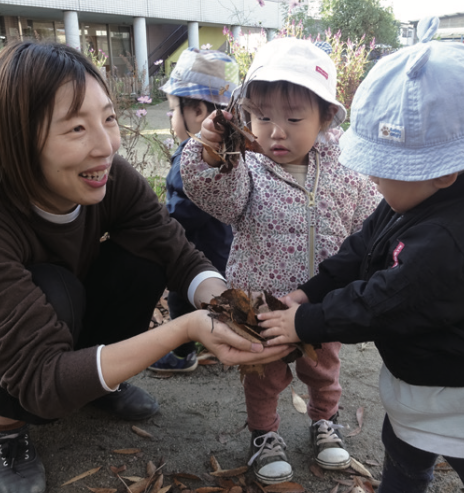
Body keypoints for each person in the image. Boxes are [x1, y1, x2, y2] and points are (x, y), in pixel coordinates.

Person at [0, 40, 293, 493]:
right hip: (22, 359)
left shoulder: (113, 177)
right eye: (76, 128)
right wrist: (184, 329)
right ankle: (6, 430)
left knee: (146, 257)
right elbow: (41, 379)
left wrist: (232, 310)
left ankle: (97, 387)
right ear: (18, 137)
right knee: (55, 288)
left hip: (63, 327)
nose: (106, 145)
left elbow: (175, 251)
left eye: (109, 118)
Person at [257, 17, 464, 493]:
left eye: (385, 169)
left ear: (444, 174)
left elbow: (380, 300)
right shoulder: (408, 201)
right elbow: (360, 250)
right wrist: (309, 292)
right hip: (422, 380)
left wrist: (305, 324)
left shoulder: (446, 242)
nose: (372, 178)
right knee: (404, 443)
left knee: (436, 443)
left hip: (452, 392)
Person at [180, 37, 380, 484]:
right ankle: (264, 435)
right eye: (262, 117)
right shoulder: (246, 171)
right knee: (264, 373)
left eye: (293, 118)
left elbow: (373, 228)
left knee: (323, 369)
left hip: (321, 304)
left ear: (327, 117)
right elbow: (215, 197)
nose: (275, 131)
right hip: (260, 303)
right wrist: (212, 156)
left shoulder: (348, 174)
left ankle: (323, 421)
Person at [149, 48, 236, 372]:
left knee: (181, 298)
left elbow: (183, 215)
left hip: (199, 255)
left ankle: (183, 353)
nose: (171, 118)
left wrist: (159, 223)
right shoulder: (232, 152)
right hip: (227, 250)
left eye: (173, 110)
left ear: (198, 110)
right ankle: (227, 337)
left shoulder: (191, 158)